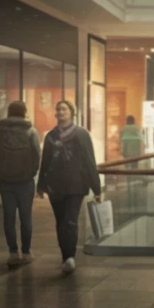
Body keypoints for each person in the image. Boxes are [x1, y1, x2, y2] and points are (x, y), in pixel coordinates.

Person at [37, 100, 102, 274]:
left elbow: (89, 161)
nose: (60, 112)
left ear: (71, 112)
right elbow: (45, 162)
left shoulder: (81, 134)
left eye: (64, 109)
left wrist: (96, 188)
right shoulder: (51, 136)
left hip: (76, 185)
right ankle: (65, 256)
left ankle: (70, 257)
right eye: (58, 109)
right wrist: (41, 185)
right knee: (60, 221)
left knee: (71, 220)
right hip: (55, 186)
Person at [0, 100, 42, 268]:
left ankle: (12, 253)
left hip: (6, 182)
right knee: (26, 218)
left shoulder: (1, 131)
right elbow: (37, 156)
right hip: (25, 182)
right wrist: (32, 171)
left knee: (9, 218)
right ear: (24, 113)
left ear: (9, 113)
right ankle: (26, 253)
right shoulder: (31, 131)